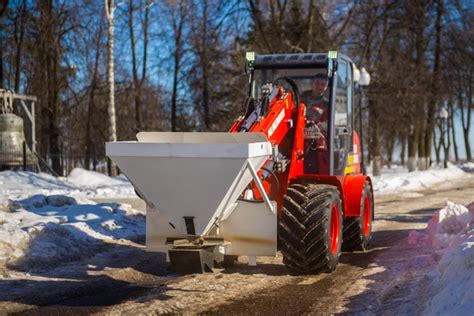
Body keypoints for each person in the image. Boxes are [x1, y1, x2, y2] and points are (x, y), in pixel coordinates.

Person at [302, 73, 330, 174]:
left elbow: (329, 124)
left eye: (323, 84)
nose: (319, 86)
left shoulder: (327, 105)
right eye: (317, 83)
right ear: (312, 84)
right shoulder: (302, 101)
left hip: (318, 143)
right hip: (301, 139)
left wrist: (317, 126)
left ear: (326, 87)